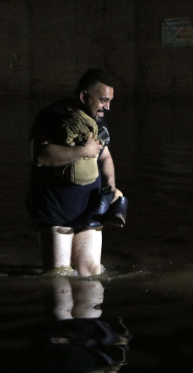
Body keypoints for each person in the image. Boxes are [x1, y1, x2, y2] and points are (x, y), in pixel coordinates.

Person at [27, 69, 123, 277]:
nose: (108, 106)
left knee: (91, 275)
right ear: (83, 96)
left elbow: (105, 157)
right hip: (55, 210)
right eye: (103, 100)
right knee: (59, 277)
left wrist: (111, 187)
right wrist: (83, 151)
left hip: (90, 207)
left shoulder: (98, 120)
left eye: (110, 100)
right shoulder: (51, 116)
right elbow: (40, 156)